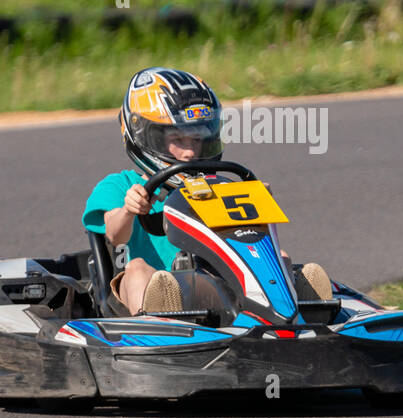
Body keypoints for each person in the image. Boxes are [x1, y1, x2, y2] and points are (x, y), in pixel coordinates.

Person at [83, 68, 332, 316]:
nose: (190, 152)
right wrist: (129, 210)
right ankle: (156, 325)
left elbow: (245, 242)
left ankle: (299, 314)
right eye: (177, 139)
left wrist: (254, 202)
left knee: (281, 258)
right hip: (145, 291)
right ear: (145, 135)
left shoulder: (218, 186)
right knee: (137, 268)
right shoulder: (120, 185)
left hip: (207, 285)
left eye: (197, 140)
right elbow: (115, 235)